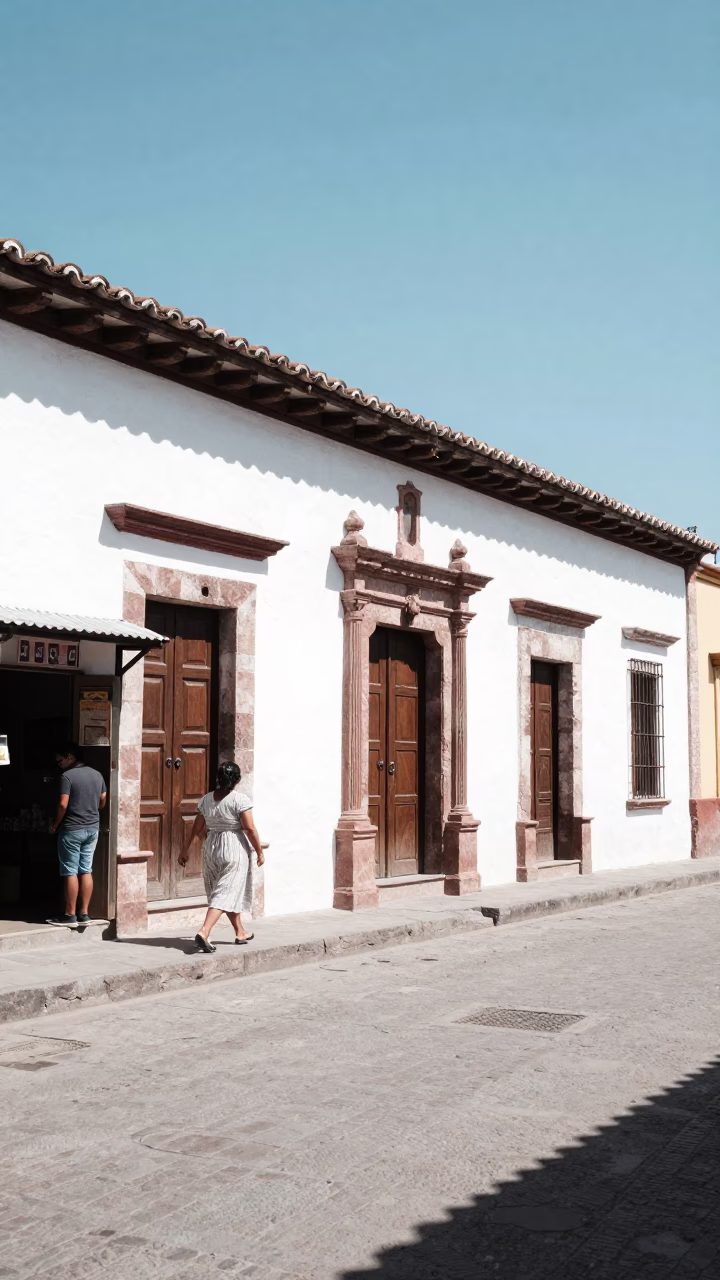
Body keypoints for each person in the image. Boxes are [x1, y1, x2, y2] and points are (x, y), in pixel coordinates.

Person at [179, 761, 265, 953]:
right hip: (233, 847)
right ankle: (204, 931)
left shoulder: (206, 799)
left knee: (225, 891)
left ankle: (240, 931)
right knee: (225, 893)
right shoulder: (239, 800)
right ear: (237, 780)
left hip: (212, 848)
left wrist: (185, 850)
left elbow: (197, 827)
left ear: (218, 779)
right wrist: (259, 851)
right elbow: (249, 828)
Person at [48, 742, 106, 926]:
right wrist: (95, 810)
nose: (59, 765)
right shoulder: (97, 774)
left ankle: (70, 914)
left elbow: (63, 804)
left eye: (60, 761)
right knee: (86, 870)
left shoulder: (67, 776)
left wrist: (54, 824)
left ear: (70, 758)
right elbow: (103, 799)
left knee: (70, 871)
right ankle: (84, 913)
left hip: (72, 829)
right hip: (92, 829)